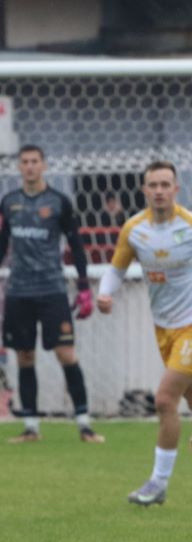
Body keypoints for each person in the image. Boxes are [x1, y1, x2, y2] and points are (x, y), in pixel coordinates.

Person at [0, 145, 103, 444]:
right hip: (19, 291)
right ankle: (31, 427)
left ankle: (85, 425)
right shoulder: (9, 203)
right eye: (25, 162)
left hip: (52, 290)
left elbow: (77, 246)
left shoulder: (59, 202)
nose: (30, 167)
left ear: (44, 165)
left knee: (66, 353)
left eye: (35, 161)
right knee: (24, 356)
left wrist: (84, 287)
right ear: (19, 167)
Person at [97, 161, 192, 506]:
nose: (159, 190)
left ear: (176, 189)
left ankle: (157, 484)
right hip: (163, 328)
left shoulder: (189, 225)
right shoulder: (134, 229)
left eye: (166, 184)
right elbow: (116, 269)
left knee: (165, 399)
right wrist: (106, 293)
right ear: (144, 190)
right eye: (153, 184)